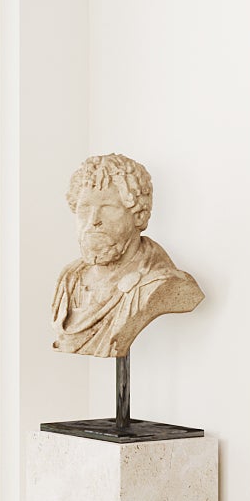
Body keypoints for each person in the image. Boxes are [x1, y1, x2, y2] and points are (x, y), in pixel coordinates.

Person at [50, 151, 203, 359]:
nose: (93, 220)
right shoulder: (69, 279)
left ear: (139, 216)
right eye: (84, 208)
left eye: (108, 208)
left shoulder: (159, 283)